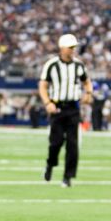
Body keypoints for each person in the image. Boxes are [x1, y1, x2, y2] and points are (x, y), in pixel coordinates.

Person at [38, 33, 93, 187]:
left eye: (74, 47)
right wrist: (47, 102)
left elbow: (87, 81)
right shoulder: (52, 64)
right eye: (70, 47)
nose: (73, 50)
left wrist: (88, 93)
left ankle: (67, 177)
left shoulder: (79, 65)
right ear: (62, 48)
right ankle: (50, 165)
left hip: (73, 108)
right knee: (55, 143)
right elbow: (43, 85)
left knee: (72, 144)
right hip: (57, 107)